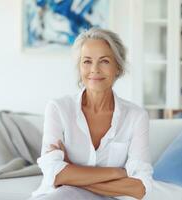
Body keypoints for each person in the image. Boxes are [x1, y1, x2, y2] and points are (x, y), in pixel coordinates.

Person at [29, 27, 153, 200]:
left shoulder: (136, 117)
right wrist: (117, 172)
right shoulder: (58, 109)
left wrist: (71, 171)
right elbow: (53, 173)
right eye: (87, 61)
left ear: (118, 67)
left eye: (104, 61)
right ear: (80, 67)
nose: (94, 69)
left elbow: (140, 188)